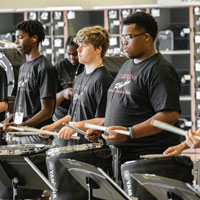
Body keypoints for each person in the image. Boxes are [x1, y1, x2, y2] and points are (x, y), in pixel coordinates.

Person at [86, 12, 182, 184]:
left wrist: (130, 133)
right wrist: (104, 128)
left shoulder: (160, 70)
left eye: (129, 37)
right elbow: (126, 106)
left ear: (146, 37)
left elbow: (169, 115)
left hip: (147, 162)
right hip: (122, 159)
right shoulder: (127, 65)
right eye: (122, 37)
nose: (123, 42)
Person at [42, 25, 113, 145]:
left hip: (92, 148)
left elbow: (105, 119)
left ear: (98, 49)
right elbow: (73, 114)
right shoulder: (79, 77)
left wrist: (76, 126)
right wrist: (53, 126)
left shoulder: (102, 80)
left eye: (83, 46)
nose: (78, 50)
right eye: (79, 46)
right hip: (75, 145)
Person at [3, 20, 57, 144]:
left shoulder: (45, 68)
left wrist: (23, 125)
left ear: (34, 38)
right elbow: (21, 105)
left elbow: (47, 111)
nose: (16, 42)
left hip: (35, 135)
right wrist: (9, 120)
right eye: (15, 38)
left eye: (20, 38)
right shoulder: (23, 67)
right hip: (19, 133)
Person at [53, 36, 84, 146]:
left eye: (75, 54)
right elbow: (52, 102)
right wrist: (64, 94)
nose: (72, 58)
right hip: (62, 116)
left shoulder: (85, 64)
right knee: (61, 148)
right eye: (69, 54)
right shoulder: (59, 67)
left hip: (81, 116)